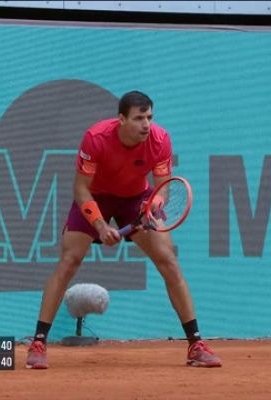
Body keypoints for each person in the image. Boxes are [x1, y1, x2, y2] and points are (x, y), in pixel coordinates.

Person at [26, 91, 222, 369]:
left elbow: (162, 188)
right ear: (121, 119)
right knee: (70, 260)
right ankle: (38, 342)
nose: (146, 124)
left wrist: (153, 205)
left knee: (168, 260)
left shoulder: (160, 140)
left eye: (150, 117)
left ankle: (196, 344)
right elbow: (80, 189)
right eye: (139, 118)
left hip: (136, 200)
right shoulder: (95, 139)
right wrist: (99, 225)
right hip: (96, 197)